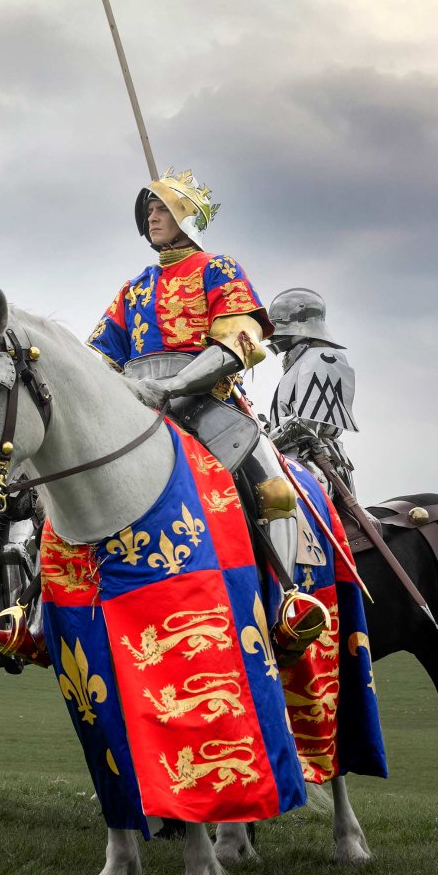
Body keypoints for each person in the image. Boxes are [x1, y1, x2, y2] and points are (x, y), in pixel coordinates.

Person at [86, 169, 328, 655]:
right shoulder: (133, 289)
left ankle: (286, 601)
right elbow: (99, 355)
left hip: (206, 402)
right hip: (136, 404)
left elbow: (240, 338)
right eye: (148, 211)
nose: (152, 217)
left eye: (162, 209)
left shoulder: (218, 268)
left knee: (271, 483)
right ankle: (32, 611)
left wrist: (174, 384)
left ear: (186, 217)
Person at [265, 287, 357, 487]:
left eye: (281, 324)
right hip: (285, 458)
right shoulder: (300, 361)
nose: (273, 335)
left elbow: (307, 424)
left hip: (313, 464)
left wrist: (263, 443)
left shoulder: (325, 357)